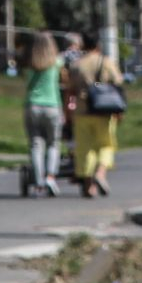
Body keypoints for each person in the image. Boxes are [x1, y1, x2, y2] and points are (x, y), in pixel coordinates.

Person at [65, 28, 123, 197]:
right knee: (105, 144)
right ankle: (100, 173)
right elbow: (118, 84)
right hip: (104, 110)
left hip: (82, 111)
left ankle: (89, 185)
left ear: (83, 44)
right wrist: (119, 111)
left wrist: (68, 113)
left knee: (84, 148)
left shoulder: (77, 65)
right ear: (98, 43)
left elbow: (70, 91)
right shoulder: (106, 62)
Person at [21, 32, 63, 197]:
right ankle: (50, 176)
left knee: (36, 144)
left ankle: (38, 181)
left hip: (33, 105)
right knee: (53, 142)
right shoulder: (56, 63)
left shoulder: (31, 66)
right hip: (52, 105)